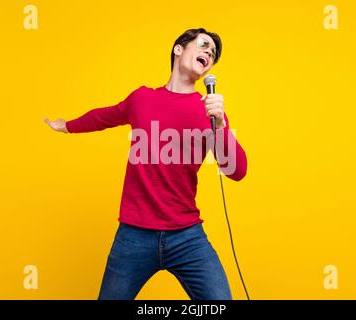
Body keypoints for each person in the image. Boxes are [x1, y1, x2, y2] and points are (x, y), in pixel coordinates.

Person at [44, 27, 247, 300]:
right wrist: (67, 126)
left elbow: (237, 171)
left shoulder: (208, 112)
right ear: (178, 49)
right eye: (203, 45)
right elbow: (104, 116)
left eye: (212, 53)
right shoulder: (142, 99)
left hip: (187, 236)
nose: (209, 53)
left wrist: (221, 126)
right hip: (133, 236)